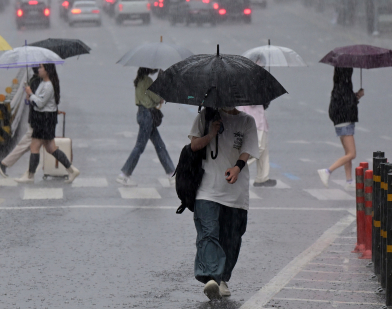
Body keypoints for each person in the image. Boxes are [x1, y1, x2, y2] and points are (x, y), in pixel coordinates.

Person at [189, 106, 259, 301]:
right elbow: (194, 145)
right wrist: (211, 133)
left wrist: (238, 167)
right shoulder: (206, 116)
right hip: (207, 189)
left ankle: (221, 278)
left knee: (232, 238)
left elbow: (248, 150)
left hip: (235, 192)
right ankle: (212, 277)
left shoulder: (247, 121)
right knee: (208, 233)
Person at [17, 63, 80, 184]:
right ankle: (72, 170)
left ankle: (30, 176)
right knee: (51, 148)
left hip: (44, 119)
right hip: (46, 118)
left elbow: (40, 104)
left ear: (47, 71)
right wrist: (30, 95)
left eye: (41, 68)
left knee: (34, 147)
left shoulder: (48, 85)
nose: (38, 70)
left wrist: (30, 94)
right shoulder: (44, 83)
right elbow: (38, 100)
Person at [118, 68, 175, 187]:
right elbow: (155, 98)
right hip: (148, 117)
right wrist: (161, 95)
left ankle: (171, 174)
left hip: (142, 114)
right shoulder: (147, 81)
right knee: (140, 146)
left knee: (160, 145)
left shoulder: (139, 80)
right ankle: (124, 174)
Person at [317, 67, 364, 190]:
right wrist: (358, 96)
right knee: (352, 154)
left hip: (340, 121)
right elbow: (348, 103)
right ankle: (327, 171)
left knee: (347, 153)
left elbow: (344, 101)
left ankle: (349, 181)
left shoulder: (338, 84)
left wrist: (355, 96)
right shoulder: (344, 85)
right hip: (345, 122)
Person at [0, 67, 41, 179]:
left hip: (38, 119)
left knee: (41, 147)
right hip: (38, 120)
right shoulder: (37, 82)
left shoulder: (34, 81)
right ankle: (28, 174)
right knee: (44, 147)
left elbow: (28, 101)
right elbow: (37, 102)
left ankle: (7, 165)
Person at [236, 104, 276, 187]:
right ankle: (238, 167)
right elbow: (252, 102)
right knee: (259, 149)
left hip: (259, 120)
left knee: (264, 151)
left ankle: (262, 178)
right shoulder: (251, 92)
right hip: (254, 121)